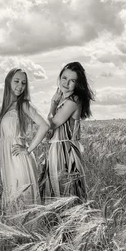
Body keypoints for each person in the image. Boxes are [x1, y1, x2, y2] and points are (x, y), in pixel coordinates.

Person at [0, 68, 50, 212]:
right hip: (6, 163)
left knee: (23, 201)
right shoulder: (3, 109)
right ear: (8, 82)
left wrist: (28, 150)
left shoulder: (23, 104)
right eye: (16, 81)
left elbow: (44, 126)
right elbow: (0, 139)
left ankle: (31, 232)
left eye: (23, 83)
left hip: (19, 160)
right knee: (12, 200)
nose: (20, 86)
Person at [39, 61, 95, 201]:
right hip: (56, 149)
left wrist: (53, 103)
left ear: (78, 84)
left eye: (72, 81)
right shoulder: (63, 100)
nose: (66, 83)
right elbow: (49, 132)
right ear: (59, 77)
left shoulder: (74, 100)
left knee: (67, 191)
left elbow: (51, 124)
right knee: (54, 191)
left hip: (66, 152)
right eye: (64, 78)